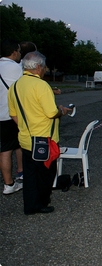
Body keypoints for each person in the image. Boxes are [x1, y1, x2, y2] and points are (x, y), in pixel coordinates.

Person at [8, 51, 71, 215]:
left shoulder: (15, 86)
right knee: (46, 174)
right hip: (44, 139)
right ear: (37, 67)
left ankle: (29, 206)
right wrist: (62, 110)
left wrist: (25, 126)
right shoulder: (42, 86)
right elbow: (51, 112)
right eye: (44, 67)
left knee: (30, 175)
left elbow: (13, 114)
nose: (45, 70)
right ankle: (42, 203)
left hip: (26, 138)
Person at [0, 39, 24, 194]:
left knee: (12, 145)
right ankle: (9, 183)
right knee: (9, 148)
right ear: (14, 52)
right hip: (9, 114)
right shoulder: (15, 68)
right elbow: (26, 86)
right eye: (19, 51)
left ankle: (19, 174)